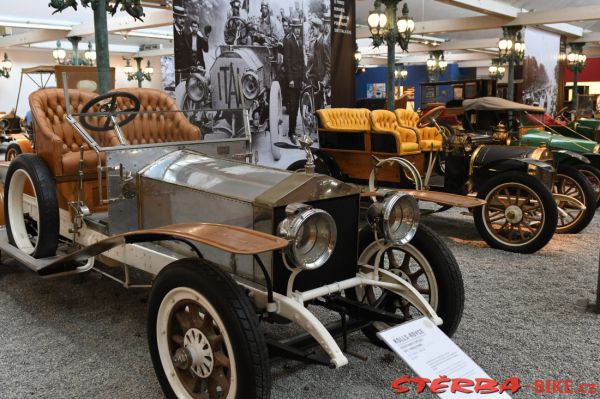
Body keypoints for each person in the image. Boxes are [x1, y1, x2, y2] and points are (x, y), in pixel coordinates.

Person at [283, 18, 305, 144]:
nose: (297, 30)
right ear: (292, 28)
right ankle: (291, 133)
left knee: (296, 106)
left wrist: (301, 79)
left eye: (299, 28)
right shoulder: (288, 40)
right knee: (292, 106)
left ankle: (294, 130)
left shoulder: (299, 41)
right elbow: (287, 61)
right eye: (296, 28)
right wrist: (290, 79)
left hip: (298, 79)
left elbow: (301, 61)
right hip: (291, 80)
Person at [306, 17, 331, 110]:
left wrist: (324, 81)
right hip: (317, 82)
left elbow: (329, 66)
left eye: (313, 28)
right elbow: (316, 63)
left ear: (318, 28)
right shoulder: (316, 43)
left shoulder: (323, 44)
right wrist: (309, 71)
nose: (312, 31)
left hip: (322, 84)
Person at [173, 5, 190, 83]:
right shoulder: (172, 33)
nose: (182, 20)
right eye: (180, 18)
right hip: (175, 74)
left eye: (183, 18)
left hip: (185, 72)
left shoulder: (185, 34)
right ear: (175, 18)